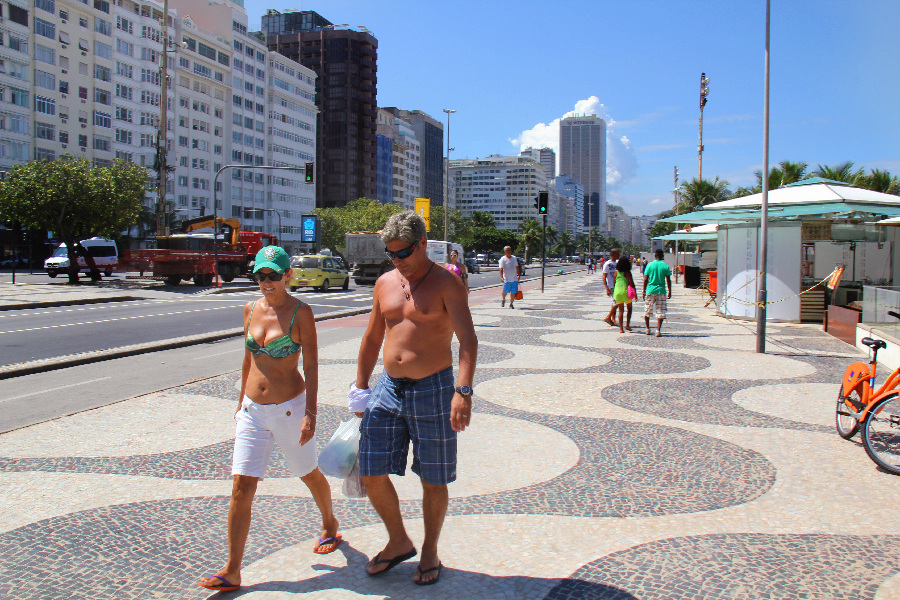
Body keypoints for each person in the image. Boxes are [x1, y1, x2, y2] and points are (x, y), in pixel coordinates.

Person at [197, 246, 339, 594]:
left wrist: (311, 413)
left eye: (274, 275)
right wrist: (239, 401)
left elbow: (312, 365)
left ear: (288, 275)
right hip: (252, 411)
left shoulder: (301, 312)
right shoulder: (249, 309)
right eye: (260, 275)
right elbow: (248, 359)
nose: (266, 282)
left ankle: (330, 521)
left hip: (290, 408)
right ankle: (232, 570)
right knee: (241, 486)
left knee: (308, 473)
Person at [350, 211, 477, 586]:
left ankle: (430, 550)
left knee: (433, 479)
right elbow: (373, 337)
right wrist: (360, 388)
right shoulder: (385, 282)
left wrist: (463, 390)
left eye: (403, 252)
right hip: (388, 387)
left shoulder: (447, 284)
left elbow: (468, 340)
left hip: (434, 388)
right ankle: (398, 540)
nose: (398, 260)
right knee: (370, 471)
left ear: (422, 243)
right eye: (391, 253)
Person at [642, 248, 673, 337]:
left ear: (655, 255)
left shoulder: (649, 265)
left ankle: (647, 329)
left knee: (647, 310)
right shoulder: (665, 266)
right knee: (661, 311)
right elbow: (668, 280)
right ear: (662, 256)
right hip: (661, 290)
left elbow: (645, 279)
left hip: (650, 290)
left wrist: (644, 291)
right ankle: (658, 330)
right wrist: (670, 291)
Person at [605, 255, 635, 332]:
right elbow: (631, 283)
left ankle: (621, 329)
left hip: (617, 293)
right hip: (626, 293)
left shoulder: (616, 272)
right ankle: (627, 325)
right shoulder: (628, 273)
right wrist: (635, 293)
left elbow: (614, 282)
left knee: (621, 311)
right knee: (629, 309)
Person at [602, 248, 620, 326]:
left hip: (618, 285)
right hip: (611, 286)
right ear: (612, 254)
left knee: (615, 302)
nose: (618, 255)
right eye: (617, 253)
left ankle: (612, 319)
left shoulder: (617, 263)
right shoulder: (607, 264)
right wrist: (607, 288)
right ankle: (608, 317)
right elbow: (604, 276)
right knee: (617, 302)